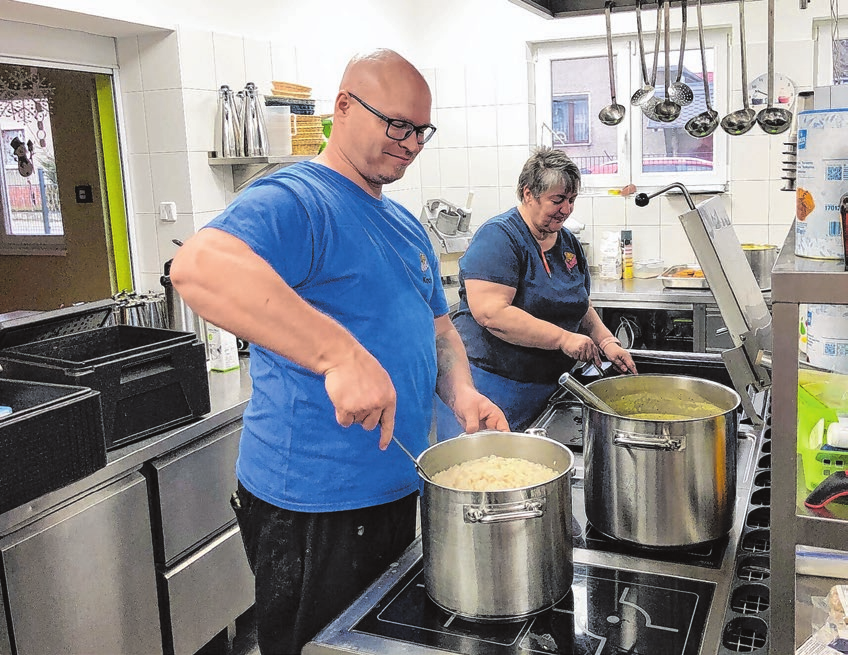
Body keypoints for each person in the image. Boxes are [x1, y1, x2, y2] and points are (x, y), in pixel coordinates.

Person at [169, 49, 507, 655]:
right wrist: (339, 354)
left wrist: (462, 394)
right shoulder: (299, 198)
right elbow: (197, 268)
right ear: (344, 108)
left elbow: (438, 331)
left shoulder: (404, 223)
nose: (409, 144)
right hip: (313, 509)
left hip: (397, 485)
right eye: (396, 125)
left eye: (420, 132)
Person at [436, 146, 637, 439]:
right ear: (528, 193)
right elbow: (492, 313)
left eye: (571, 200)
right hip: (491, 387)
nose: (566, 209)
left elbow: (578, 303)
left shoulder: (566, 242)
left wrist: (606, 340)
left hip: (547, 389)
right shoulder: (500, 237)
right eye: (557, 200)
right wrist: (563, 338)